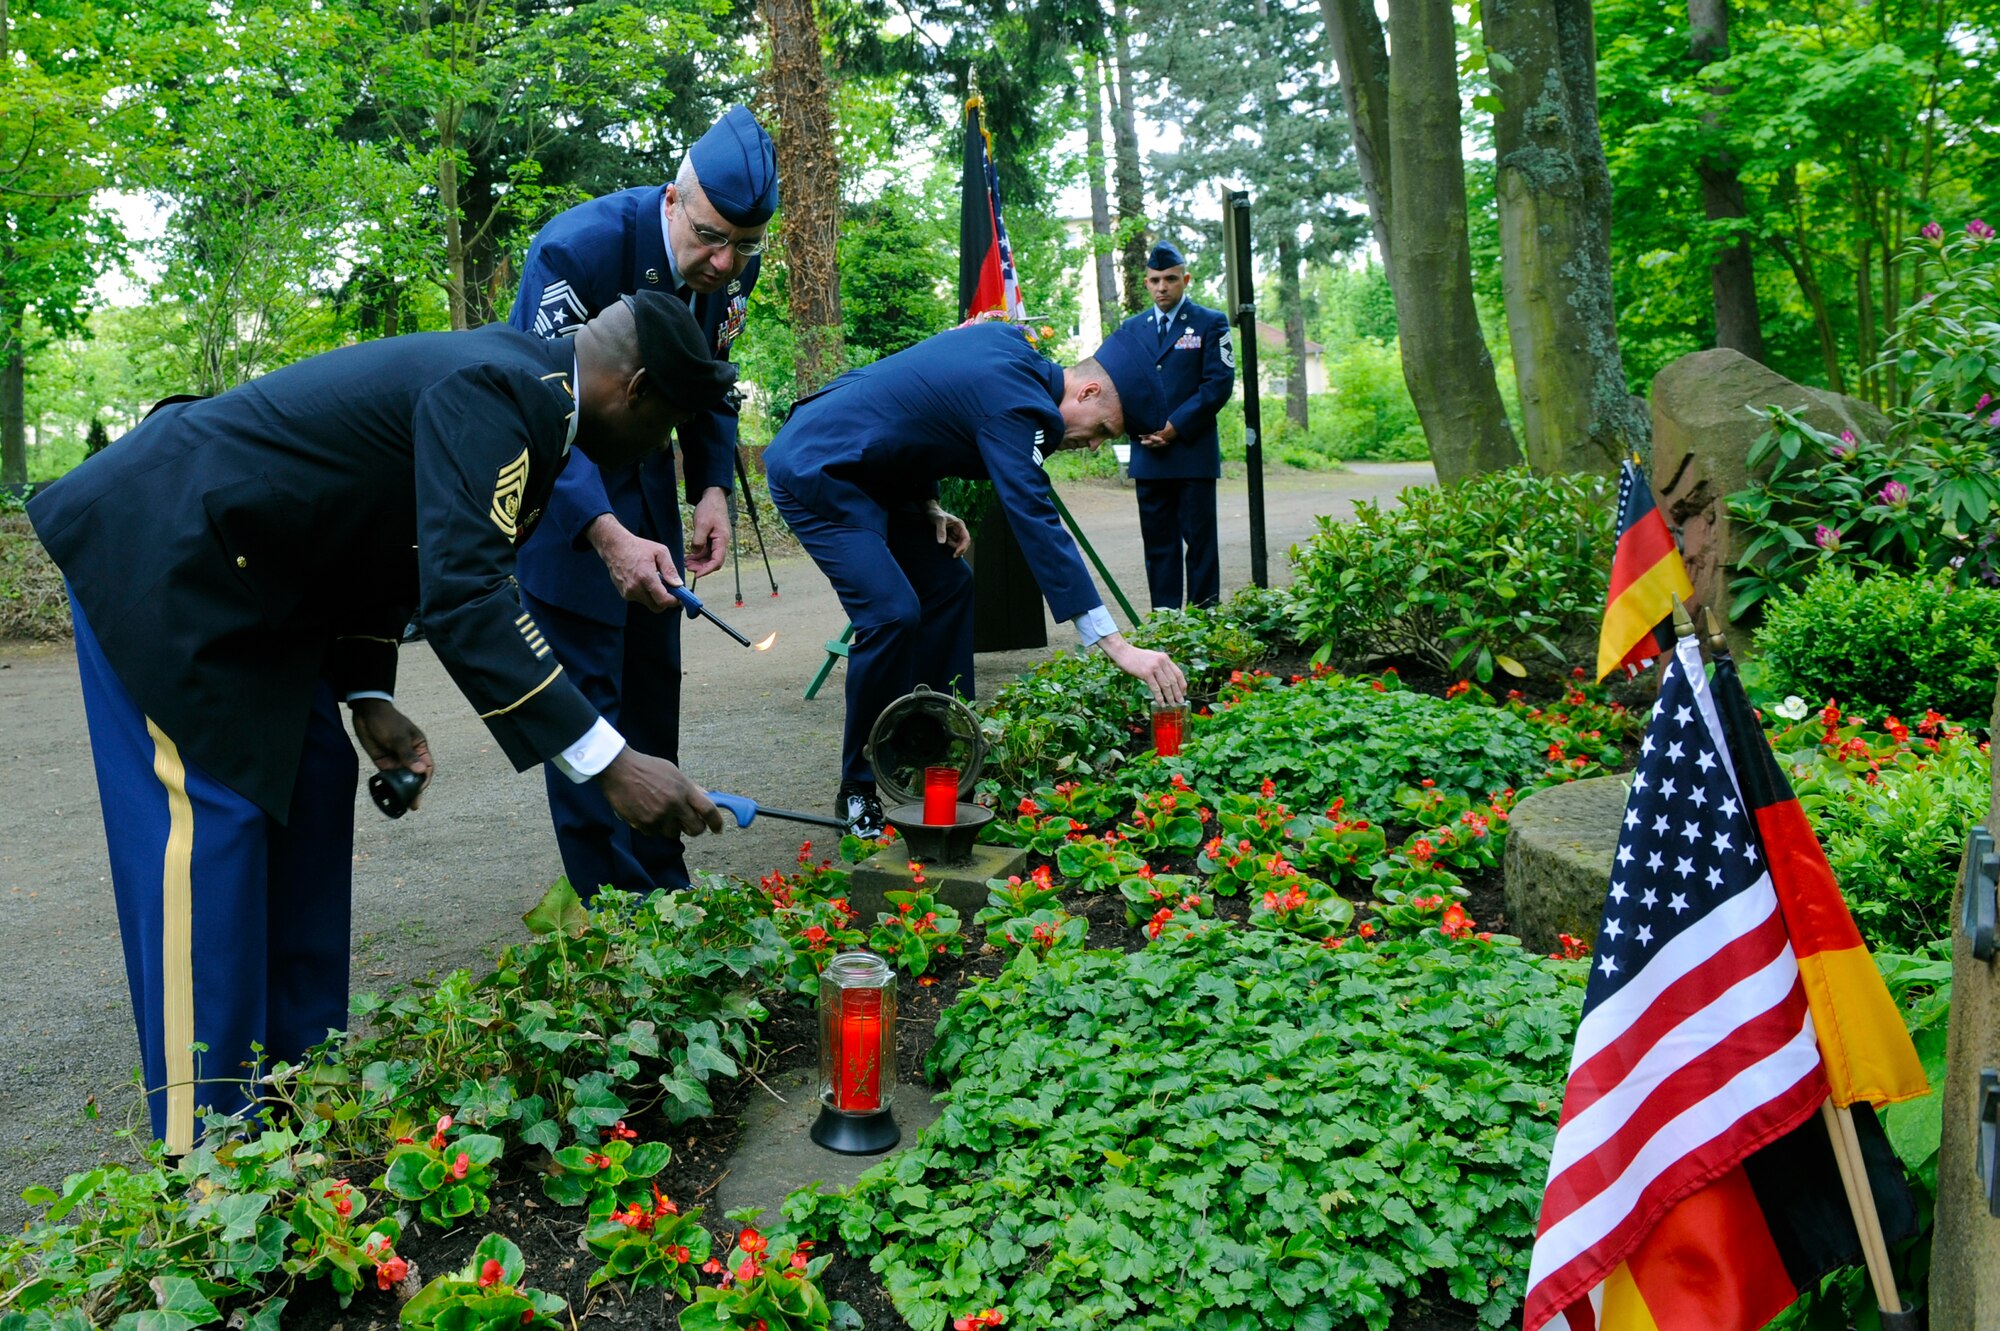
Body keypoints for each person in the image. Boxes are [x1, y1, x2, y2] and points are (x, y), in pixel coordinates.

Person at [27, 293, 733, 1155]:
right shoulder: (504, 391)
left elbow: (386, 535)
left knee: (315, 785)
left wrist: (366, 692)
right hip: (167, 552)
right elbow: (470, 595)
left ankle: (289, 1120)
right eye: (669, 427)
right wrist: (612, 761)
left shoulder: (529, 398)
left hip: (263, 590)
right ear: (641, 387)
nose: (659, 450)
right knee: (209, 829)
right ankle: (203, 1156)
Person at [763, 320, 1190, 836]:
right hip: (819, 467)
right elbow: (1033, 517)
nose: (1094, 444)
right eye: (1102, 429)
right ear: (1089, 390)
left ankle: (932, 752)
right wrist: (1116, 645)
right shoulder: (1018, 405)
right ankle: (858, 791)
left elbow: (917, 413)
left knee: (949, 585)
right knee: (891, 612)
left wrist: (929, 504)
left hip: (878, 472)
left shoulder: (1014, 351)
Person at [508, 105, 775, 899]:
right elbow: (539, 404)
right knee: (591, 706)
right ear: (673, 198)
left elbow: (711, 380)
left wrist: (714, 488)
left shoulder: (735, 265)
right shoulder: (575, 250)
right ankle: (612, 913)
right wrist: (604, 530)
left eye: (745, 246)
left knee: (654, 695)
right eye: (712, 237)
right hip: (566, 494)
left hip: (651, 487)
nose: (725, 262)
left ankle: (664, 883)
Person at [1118, 241, 1236, 610]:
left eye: (1170, 279)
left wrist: (1175, 427)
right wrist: (1141, 427)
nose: (1162, 287)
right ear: (1146, 283)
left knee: (1199, 542)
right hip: (1148, 452)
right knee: (1158, 544)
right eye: (1154, 280)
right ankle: (1165, 621)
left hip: (1191, 451)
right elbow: (1121, 383)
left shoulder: (1210, 323)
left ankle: (1203, 622)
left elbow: (1218, 384)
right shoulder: (1132, 328)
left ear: (1185, 280)